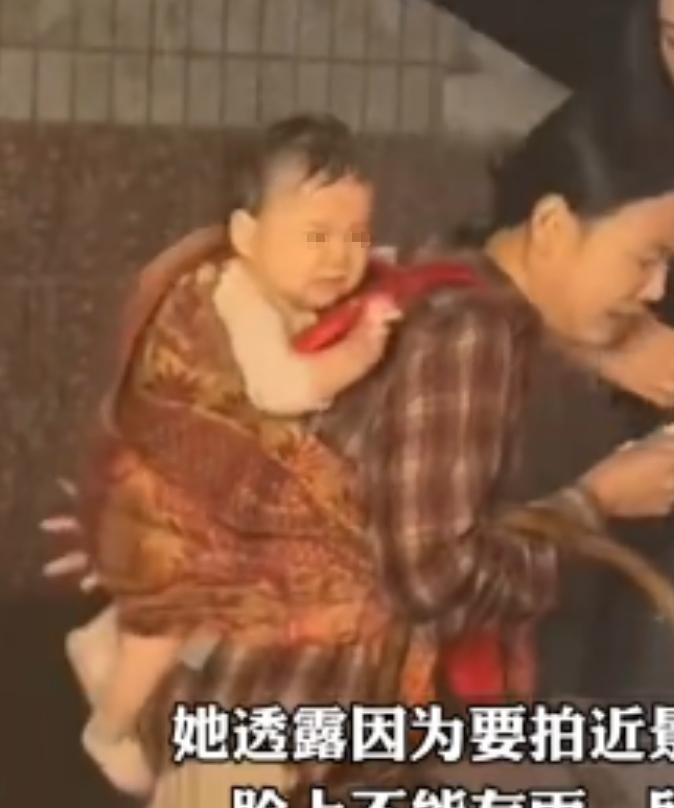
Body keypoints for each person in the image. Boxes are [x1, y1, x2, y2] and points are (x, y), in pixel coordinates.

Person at [46, 100, 674, 807]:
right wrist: (596, 502)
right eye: (646, 257)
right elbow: (430, 576)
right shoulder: (474, 335)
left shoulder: (440, 285)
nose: (656, 289)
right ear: (553, 226)